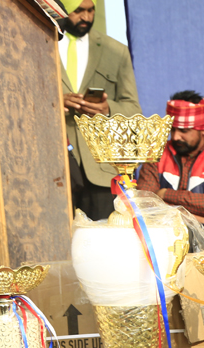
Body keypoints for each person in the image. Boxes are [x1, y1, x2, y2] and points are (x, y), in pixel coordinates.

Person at [58, 0, 140, 221]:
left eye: (90, 10)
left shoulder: (116, 51)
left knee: (104, 238)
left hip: (102, 170)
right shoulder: (40, 43)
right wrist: (55, 102)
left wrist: (107, 108)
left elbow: (134, 110)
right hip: (56, 169)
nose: (86, 17)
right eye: (78, 11)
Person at [136, 91, 204, 246]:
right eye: (172, 129)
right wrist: (197, 218)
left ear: (203, 129)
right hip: (162, 231)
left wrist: (165, 194)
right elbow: (145, 203)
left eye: (183, 131)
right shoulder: (156, 154)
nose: (175, 137)